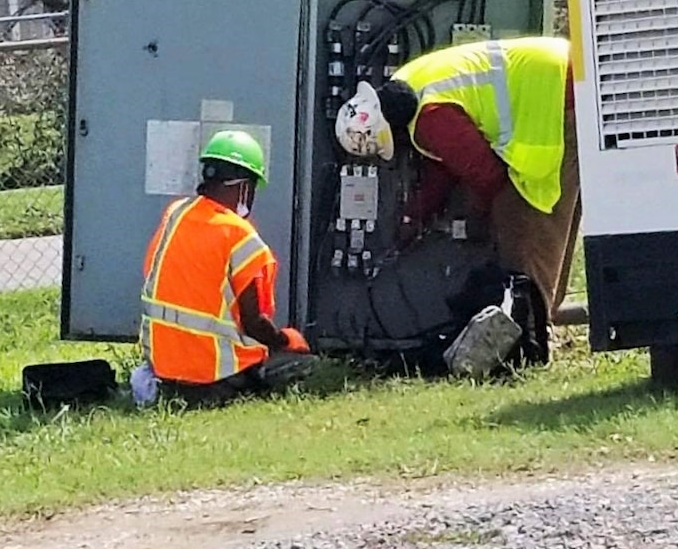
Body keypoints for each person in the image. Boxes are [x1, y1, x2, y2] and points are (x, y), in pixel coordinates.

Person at [334, 36, 581, 338]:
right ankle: (539, 320)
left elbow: (487, 175)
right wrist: (416, 215)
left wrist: (478, 218)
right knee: (538, 223)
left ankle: (530, 337)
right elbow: (445, 163)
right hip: (558, 72)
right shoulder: (406, 86)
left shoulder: (429, 117)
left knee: (525, 227)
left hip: (555, 98)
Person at [132, 129, 317, 408]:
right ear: (243, 186)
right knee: (302, 362)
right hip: (213, 377)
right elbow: (255, 324)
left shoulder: (176, 213)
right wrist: (286, 340)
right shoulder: (239, 235)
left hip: (163, 371)